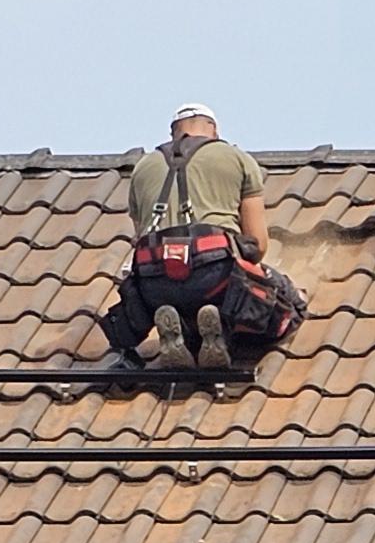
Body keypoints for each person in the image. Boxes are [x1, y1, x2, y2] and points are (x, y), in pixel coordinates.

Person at [104, 102, 304, 369]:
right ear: (214, 130)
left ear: (173, 132)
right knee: (289, 305)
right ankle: (221, 336)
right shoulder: (236, 158)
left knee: (180, 294)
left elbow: (140, 235)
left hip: (155, 285)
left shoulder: (142, 168)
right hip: (214, 274)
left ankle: (185, 333)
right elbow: (257, 245)